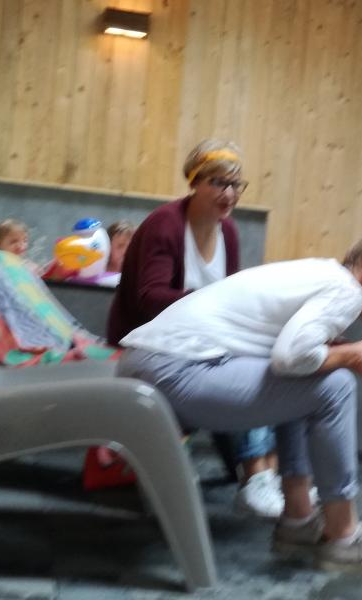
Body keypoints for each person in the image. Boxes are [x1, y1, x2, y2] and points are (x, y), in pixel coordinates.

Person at [116, 226, 362, 573]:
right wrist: (350, 355)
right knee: (336, 386)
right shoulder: (347, 290)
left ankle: (298, 519)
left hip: (149, 363)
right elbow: (290, 357)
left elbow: (290, 358)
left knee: (315, 376)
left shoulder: (323, 275)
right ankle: (344, 537)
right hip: (172, 369)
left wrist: (336, 353)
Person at [106, 139, 282, 518]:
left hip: (201, 341)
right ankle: (248, 473)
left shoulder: (228, 231)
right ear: (195, 182)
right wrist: (210, 304)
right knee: (242, 368)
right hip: (151, 344)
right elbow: (149, 298)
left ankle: (261, 477)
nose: (229, 194)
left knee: (265, 361)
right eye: (218, 183)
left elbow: (230, 294)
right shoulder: (165, 225)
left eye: (235, 185)